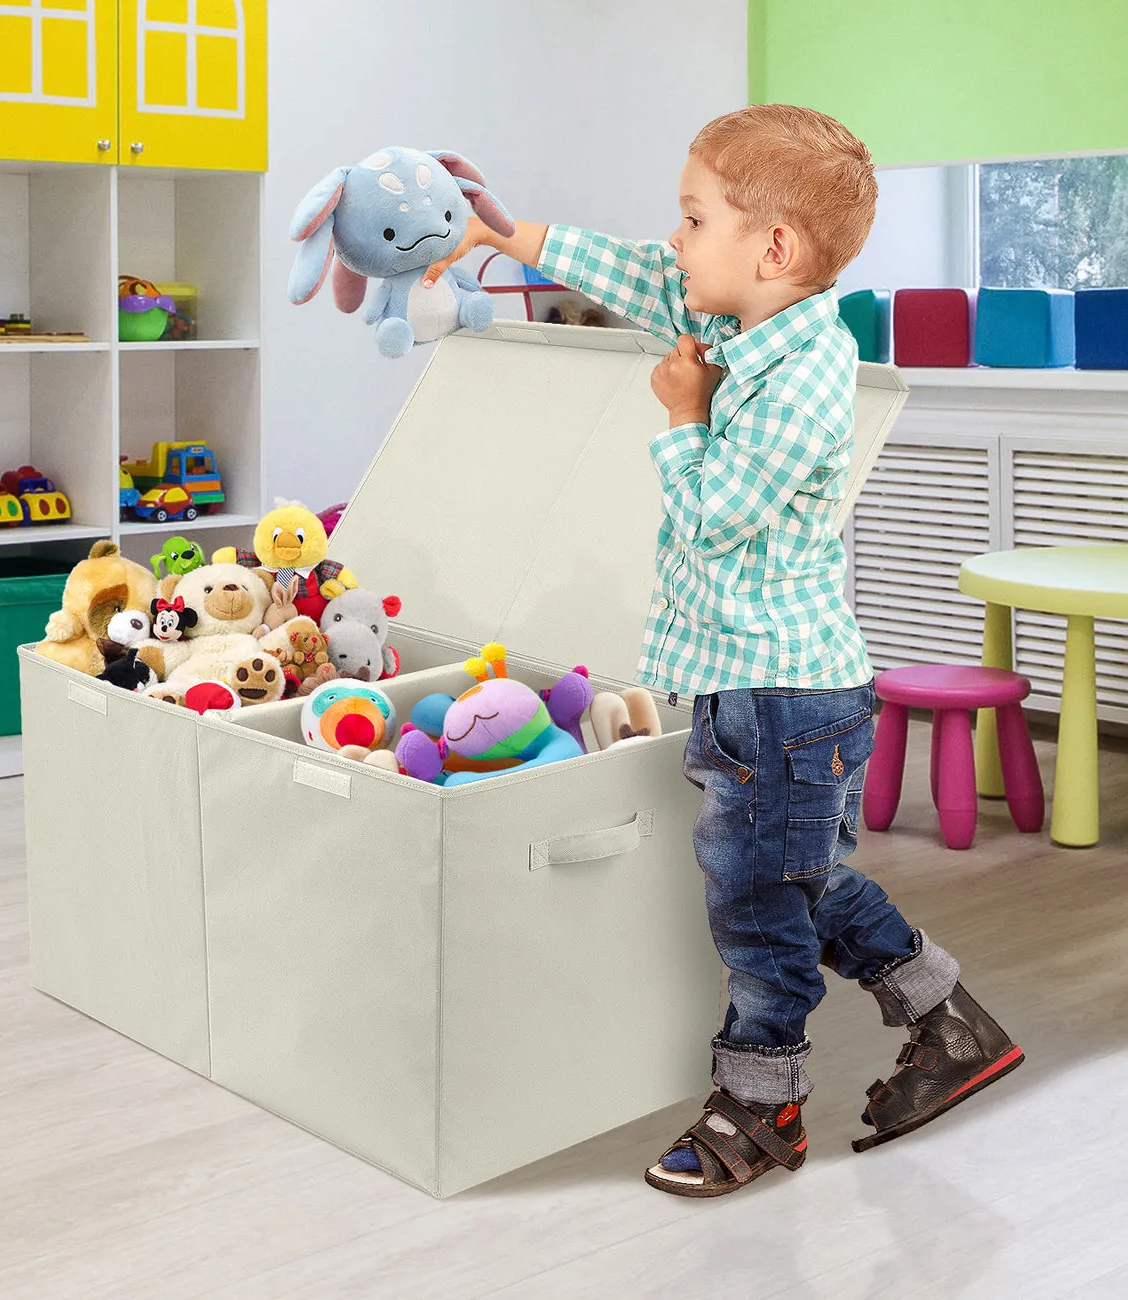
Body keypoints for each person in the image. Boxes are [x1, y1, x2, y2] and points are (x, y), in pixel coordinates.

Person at [424, 103, 1025, 1199]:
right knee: (796, 880)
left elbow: (712, 514)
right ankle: (948, 1021)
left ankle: (763, 1103)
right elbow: (642, 278)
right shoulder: (750, 322)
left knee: (754, 907)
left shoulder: (803, 378)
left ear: (773, 249)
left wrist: (678, 416)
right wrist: (509, 237)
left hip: (785, 697)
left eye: (693, 220)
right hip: (751, 688)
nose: (676, 244)